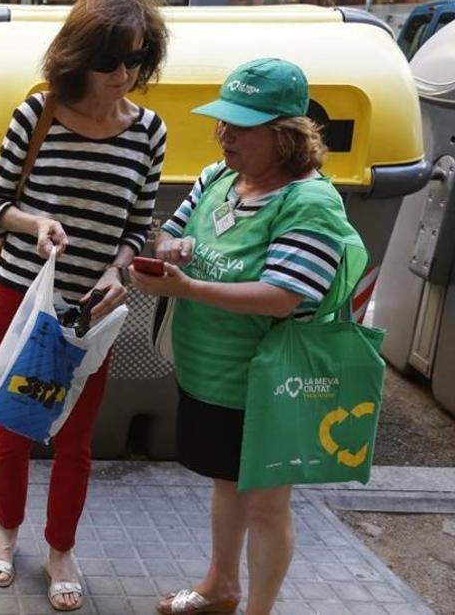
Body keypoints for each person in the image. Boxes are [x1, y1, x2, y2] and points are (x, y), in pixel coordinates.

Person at [130, 58, 355, 615]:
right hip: (211, 374)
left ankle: (257, 610)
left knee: (267, 507)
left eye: (241, 126)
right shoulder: (220, 178)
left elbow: (284, 294)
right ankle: (218, 586)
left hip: (268, 383)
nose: (224, 135)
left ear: (285, 137)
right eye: (222, 123)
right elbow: (171, 233)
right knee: (226, 484)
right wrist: (169, 250)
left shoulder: (310, 203)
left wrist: (188, 289)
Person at [0, 0, 168, 612]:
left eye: (136, 59)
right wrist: (37, 224)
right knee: (16, 426)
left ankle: (61, 547)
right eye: (109, 59)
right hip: (22, 298)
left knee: (77, 439)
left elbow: (140, 223)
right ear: (78, 54)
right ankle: (7, 533)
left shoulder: (149, 132)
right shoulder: (39, 113)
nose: (122, 73)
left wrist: (120, 268)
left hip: (96, 311)